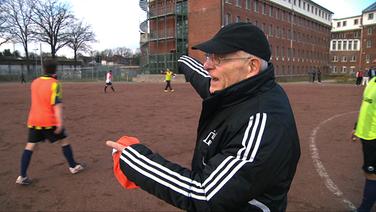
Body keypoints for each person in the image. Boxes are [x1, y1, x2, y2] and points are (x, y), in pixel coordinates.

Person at [106, 22, 300, 211]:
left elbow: (205, 194)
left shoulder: (264, 123)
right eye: (208, 56)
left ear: (251, 67)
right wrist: (183, 60)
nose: (207, 65)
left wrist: (133, 159)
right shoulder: (239, 89)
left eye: (219, 58)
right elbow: (203, 79)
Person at [16, 60, 84, 185]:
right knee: (64, 141)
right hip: (49, 121)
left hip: (34, 120)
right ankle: (73, 166)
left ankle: (22, 176)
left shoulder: (35, 82)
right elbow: (56, 104)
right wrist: (60, 122)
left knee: (30, 146)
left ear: (43, 69)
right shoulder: (55, 84)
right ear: (55, 69)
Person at [352, 76, 376, 212]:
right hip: (366, 135)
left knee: (371, 174)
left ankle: (364, 209)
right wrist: (356, 127)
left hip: (374, 136)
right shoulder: (372, 81)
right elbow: (366, 106)